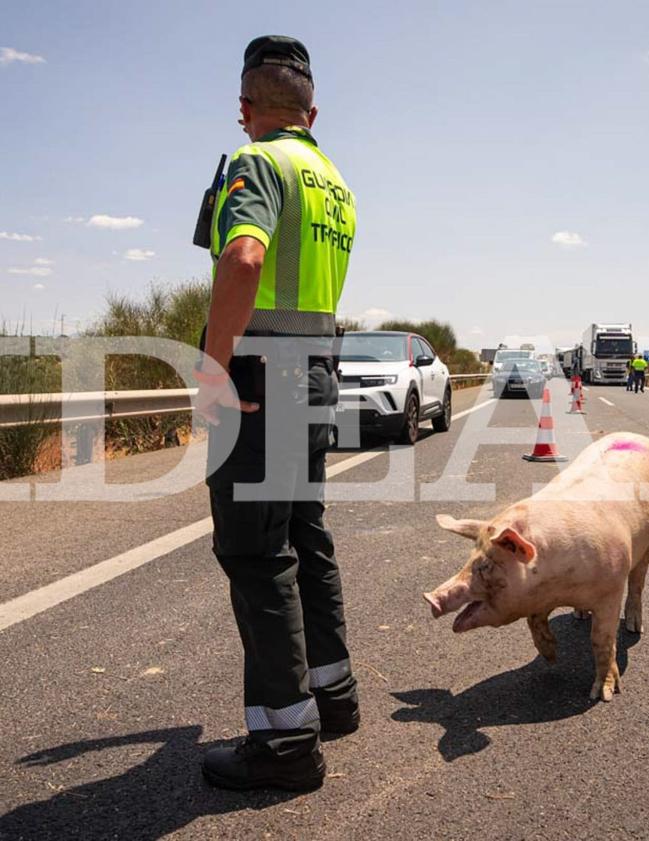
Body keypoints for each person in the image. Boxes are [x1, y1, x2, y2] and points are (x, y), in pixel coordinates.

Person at [193, 35, 358, 792]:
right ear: (312, 110)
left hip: (259, 380)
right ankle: (333, 697)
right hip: (316, 373)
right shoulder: (333, 181)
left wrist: (214, 365)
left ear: (244, 109)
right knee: (303, 535)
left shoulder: (256, 163)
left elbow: (244, 258)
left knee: (257, 557)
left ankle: (285, 746)